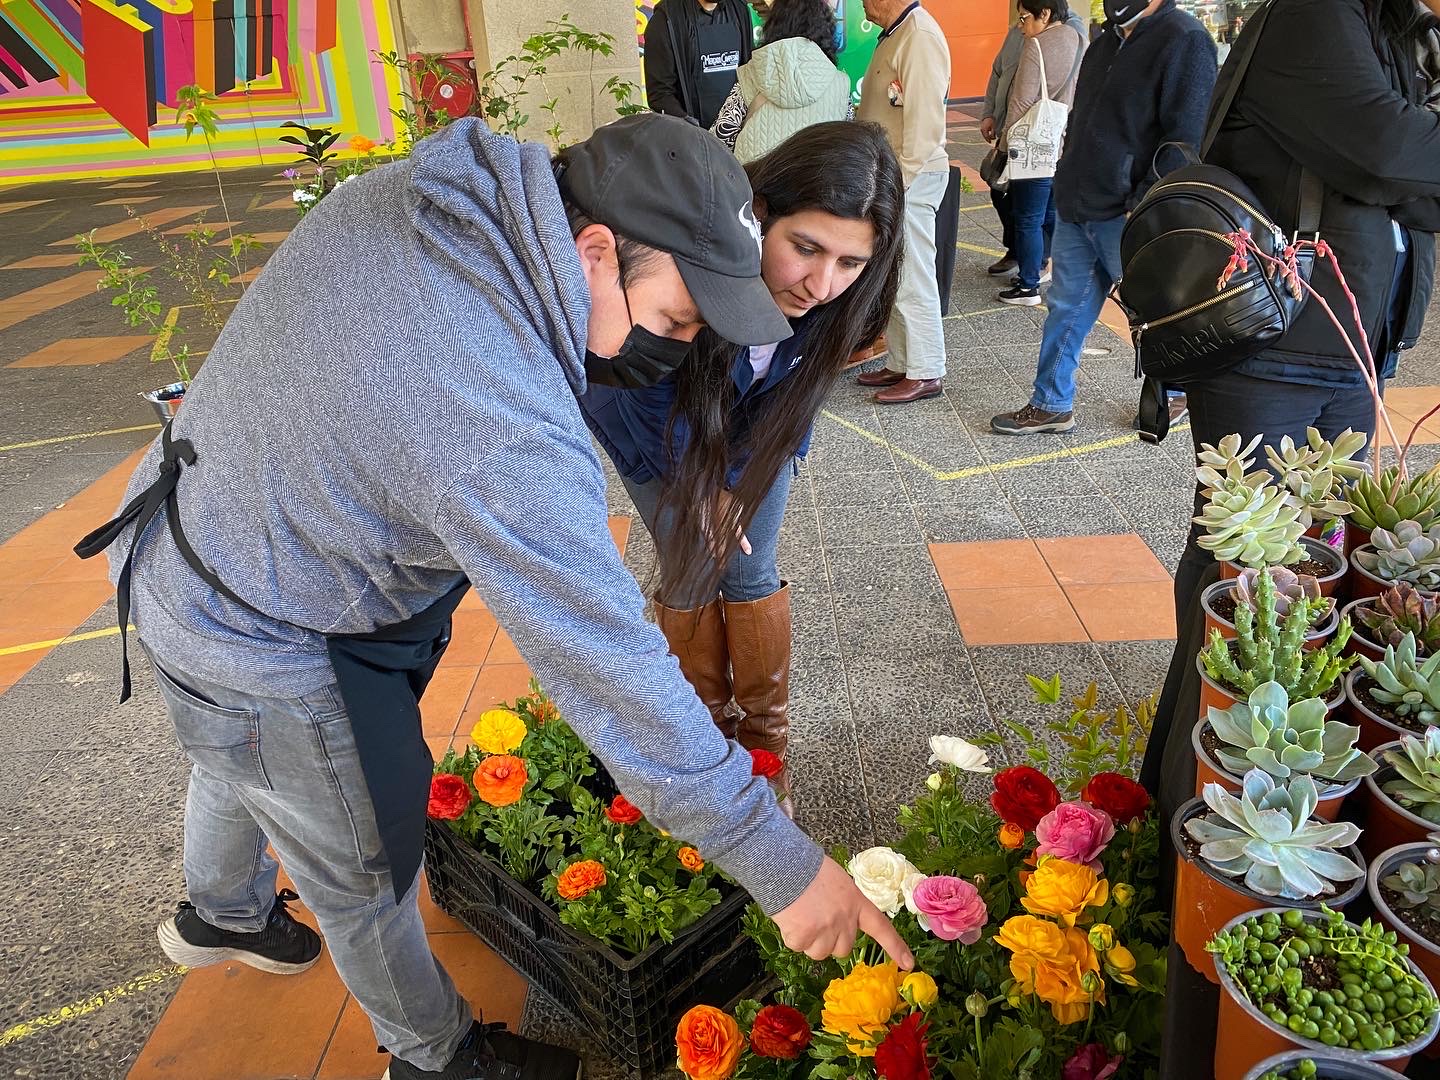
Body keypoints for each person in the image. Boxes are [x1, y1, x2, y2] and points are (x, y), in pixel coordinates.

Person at [73, 114, 913, 1080]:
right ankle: (431, 1057)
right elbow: (605, 658)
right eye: (680, 321)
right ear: (596, 248)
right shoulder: (498, 423)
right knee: (361, 867)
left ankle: (218, 910)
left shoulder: (421, 197)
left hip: (193, 537)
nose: (679, 348)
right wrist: (776, 859)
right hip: (263, 623)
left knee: (234, 742)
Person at [580, 121, 904, 813]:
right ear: (759, 215)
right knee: (693, 562)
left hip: (759, 435)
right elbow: (638, 384)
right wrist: (700, 488)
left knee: (751, 567)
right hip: (650, 422)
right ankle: (705, 743)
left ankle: (765, 748)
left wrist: (736, 487)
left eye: (851, 263)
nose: (822, 284)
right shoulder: (692, 259)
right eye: (806, 248)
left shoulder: (834, 298)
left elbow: (793, 393)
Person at [1171, 0, 1440, 619]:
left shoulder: (1387, 27)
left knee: (1322, 553)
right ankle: (1199, 708)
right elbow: (1386, 149)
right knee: (1239, 556)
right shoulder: (1314, 12)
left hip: (1352, 342)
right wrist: (1406, 160)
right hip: (1277, 342)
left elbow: (1412, 186)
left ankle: (1278, 702)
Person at [990, 0, 1216, 436]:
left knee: (1153, 313)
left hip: (1127, 213)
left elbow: (1186, 137)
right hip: (1078, 202)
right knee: (1065, 309)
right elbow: (1083, 118)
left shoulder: (1184, 39)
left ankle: (1177, 392)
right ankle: (1051, 402)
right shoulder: (1105, 41)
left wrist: (1143, 198)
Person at [853, 0, 952, 405]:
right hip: (891, 176)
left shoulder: (920, 36)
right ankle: (903, 360)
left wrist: (900, 181)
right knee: (894, 272)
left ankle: (927, 370)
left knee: (913, 273)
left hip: (912, 176)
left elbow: (925, 126)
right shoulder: (897, 33)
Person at [980, 4, 1088, 284]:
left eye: (1024, 17)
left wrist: (1005, 146)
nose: (1019, 24)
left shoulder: (1037, 43)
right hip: (1055, 141)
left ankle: (1029, 281)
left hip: (1029, 143)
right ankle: (1037, 264)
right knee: (1043, 209)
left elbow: (1021, 101)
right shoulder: (1076, 38)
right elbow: (998, 71)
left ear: (1045, 14)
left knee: (1026, 214)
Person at [710, 0, 852, 163]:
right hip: (820, 185)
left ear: (774, 27)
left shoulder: (751, 75)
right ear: (825, 31)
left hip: (755, 183)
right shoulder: (841, 84)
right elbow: (850, 144)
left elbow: (720, 137)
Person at [644, 0, 755, 130]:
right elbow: (660, 93)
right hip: (692, 137)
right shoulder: (666, 20)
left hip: (737, 132)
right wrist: (690, 128)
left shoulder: (739, 10)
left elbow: (748, 73)